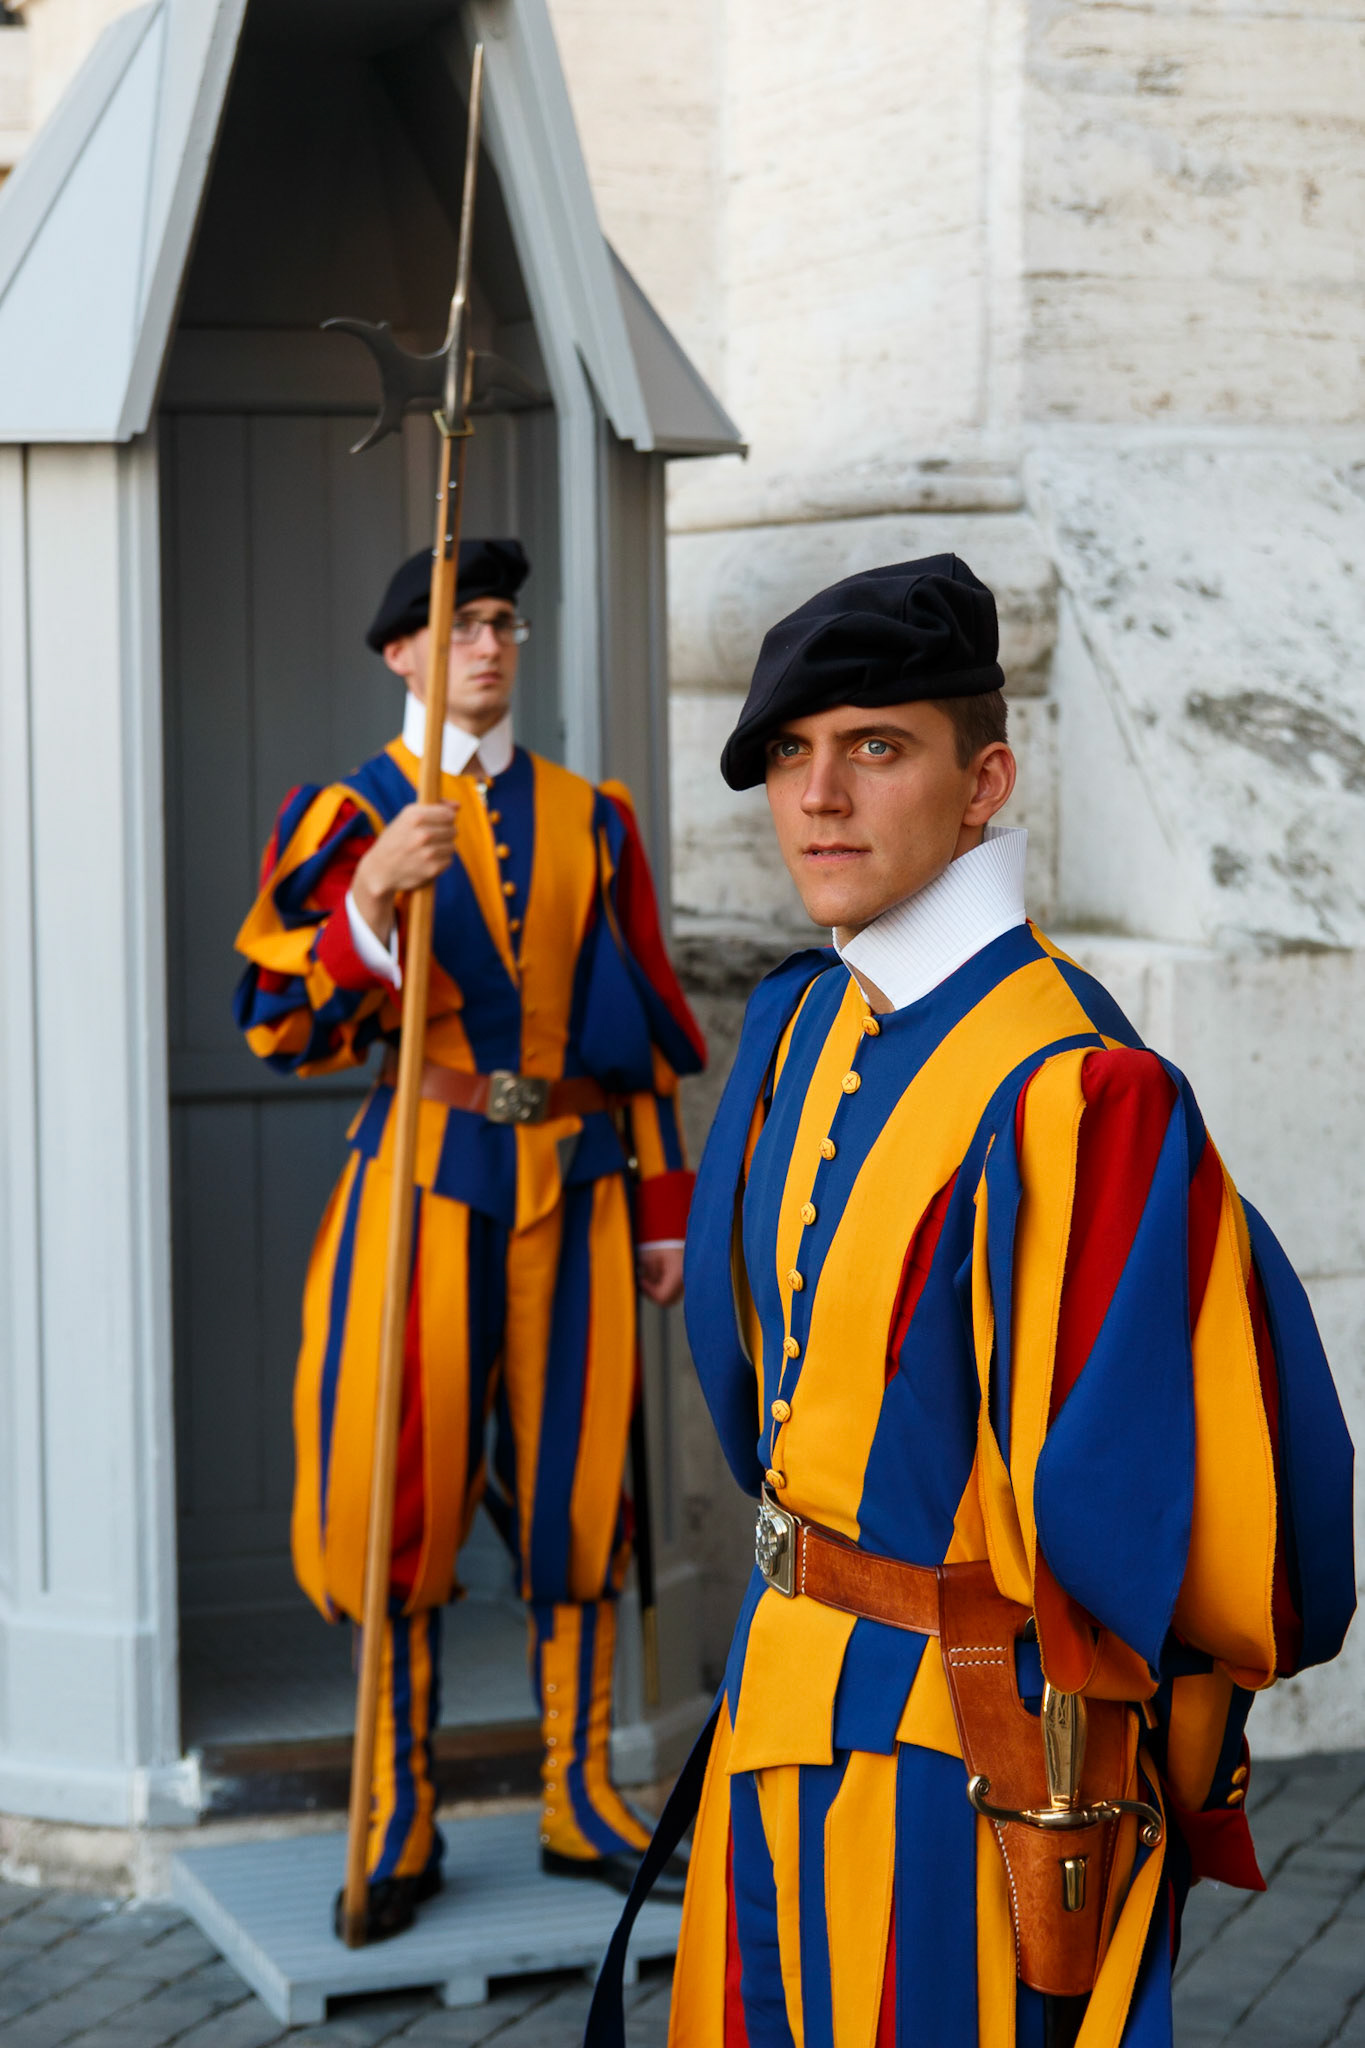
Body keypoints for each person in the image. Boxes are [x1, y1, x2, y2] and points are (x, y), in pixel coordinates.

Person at [588, 556, 1354, 2048]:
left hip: (963, 1751)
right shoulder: (801, 1019)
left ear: (983, 780)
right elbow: (747, 1387)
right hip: (772, 1689)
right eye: (790, 755)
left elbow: (1139, 1529)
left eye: (875, 747)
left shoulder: (1076, 1089)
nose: (820, 799)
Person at [234, 538, 705, 1938]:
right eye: (461, 623)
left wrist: (666, 1212)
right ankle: (397, 1812)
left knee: (579, 1490)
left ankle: (581, 1798)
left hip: (582, 1184)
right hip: (421, 1182)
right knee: (398, 1491)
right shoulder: (348, 814)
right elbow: (279, 1027)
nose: (489, 644)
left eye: (503, 621)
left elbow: (639, 1030)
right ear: (402, 653)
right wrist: (370, 898)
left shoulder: (593, 817)